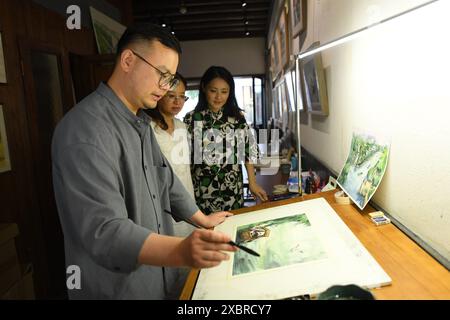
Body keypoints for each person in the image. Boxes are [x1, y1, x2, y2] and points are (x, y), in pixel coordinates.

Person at [51, 24, 236, 300]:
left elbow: (166, 178)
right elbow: (105, 230)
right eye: (162, 75)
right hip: (120, 288)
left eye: (171, 79)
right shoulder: (84, 130)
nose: (166, 87)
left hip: (158, 279)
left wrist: (202, 219)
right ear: (128, 60)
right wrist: (180, 250)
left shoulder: (139, 122)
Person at [184, 66, 268, 214]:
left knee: (232, 230)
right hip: (202, 190)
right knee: (207, 232)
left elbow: (248, 153)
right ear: (204, 88)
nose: (219, 97)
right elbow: (186, 157)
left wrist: (253, 183)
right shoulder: (192, 118)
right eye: (213, 91)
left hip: (232, 189)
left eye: (224, 91)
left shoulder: (237, 118)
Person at [145, 73, 195, 238]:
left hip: (187, 196)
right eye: (171, 96)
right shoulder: (148, 128)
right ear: (159, 95)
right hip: (162, 201)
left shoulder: (182, 126)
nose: (178, 102)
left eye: (182, 97)